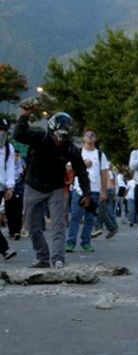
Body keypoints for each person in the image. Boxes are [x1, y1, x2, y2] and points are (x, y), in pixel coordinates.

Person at [15, 108, 91, 268]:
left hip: (56, 188)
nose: (61, 140)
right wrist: (24, 116)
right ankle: (42, 257)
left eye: (65, 137)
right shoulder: (39, 138)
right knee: (32, 226)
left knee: (58, 225)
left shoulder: (70, 148)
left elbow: (81, 170)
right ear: (51, 131)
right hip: (33, 185)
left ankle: (58, 258)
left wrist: (86, 192)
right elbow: (18, 135)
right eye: (59, 136)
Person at [65, 128, 109, 253]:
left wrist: (104, 191)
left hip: (94, 190)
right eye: (87, 135)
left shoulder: (100, 155)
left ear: (95, 138)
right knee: (75, 216)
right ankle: (71, 242)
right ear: (83, 138)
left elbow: (104, 173)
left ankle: (86, 242)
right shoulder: (78, 152)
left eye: (92, 135)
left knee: (90, 218)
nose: (90, 137)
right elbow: (67, 167)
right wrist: (82, 164)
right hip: (78, 189)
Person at [0, 119, 16, 260]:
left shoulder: (8, 148)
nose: (1, 132)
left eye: (4, 129)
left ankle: (4, 249)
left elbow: (10, 168)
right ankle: (4, 249)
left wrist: (10, 186)